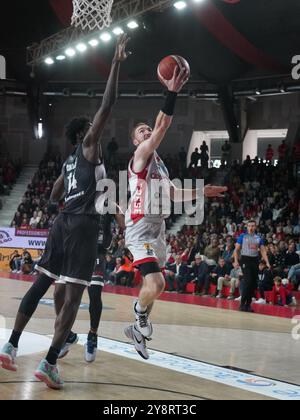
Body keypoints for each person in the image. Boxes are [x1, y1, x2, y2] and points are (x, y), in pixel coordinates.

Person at [0, 35, 130, 389]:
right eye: (92, 128)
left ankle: (10, 345)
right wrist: (116, 62)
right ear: (84, 133)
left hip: (61, 222)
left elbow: (56, 190)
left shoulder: (70, 160)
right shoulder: (88, 147)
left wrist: (59, 205)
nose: (97, 130)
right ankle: (50, 362)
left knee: (42, 282)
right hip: (82, 227)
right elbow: (109, 102)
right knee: (73, 296)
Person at [124, 65, 227, 359]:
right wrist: (171, 91)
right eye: (140, 131)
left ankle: (137, 327)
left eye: (146, 128)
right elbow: (161, 126)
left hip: (158, 229)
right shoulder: (140, 155)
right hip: (140, 226)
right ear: (136, 141)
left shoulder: (161, 165)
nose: (146, 132)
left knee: (155, 286)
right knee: (157, 282)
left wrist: (200, 192)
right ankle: (138, 314)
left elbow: (171, 193)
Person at [233, 220, 271, 312]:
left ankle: (248, 305)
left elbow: (262, 251)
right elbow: (236, 250)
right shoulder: (242, 236)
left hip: (255, 260)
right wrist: (236, 260)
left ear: (255, 227)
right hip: (245, 260)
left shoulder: (258, 238)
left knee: (253, 284)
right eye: (249, 226)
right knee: (248, 282)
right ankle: (242, 304)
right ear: (247, 227)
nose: (251, 227)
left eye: (253, 226)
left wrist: (267, 262)